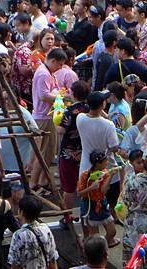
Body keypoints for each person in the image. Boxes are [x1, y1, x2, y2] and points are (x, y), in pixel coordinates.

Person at [30, 48, 67, 191]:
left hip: (48, 115)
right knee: (45, 152)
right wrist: (61, 98)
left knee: (49, 151)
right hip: (43, 116)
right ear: (53, 61)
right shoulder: (43, 74)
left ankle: (42, 180)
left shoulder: (48, 72)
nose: (59, 68)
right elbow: (43, 95)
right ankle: (34, 182)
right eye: (59, 65)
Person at [56, 80, 90, 218]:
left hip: (68, 153)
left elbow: (60, 130)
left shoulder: (69, 111)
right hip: (85, 150)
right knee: (86, 184)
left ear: (74, 94)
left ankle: (67, 216)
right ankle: (86, 212)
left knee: (68, 188)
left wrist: (55, 119)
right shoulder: (89, 108)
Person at [77, 150, 119, 246]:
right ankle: (97, 248)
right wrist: (91, 188)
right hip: (90, 205)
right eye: (105, 161)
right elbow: (79, 194)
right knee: (94, 236)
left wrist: (111, 175)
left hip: (102, 203)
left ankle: (102, 244)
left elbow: (104, 190)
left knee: (112, 231)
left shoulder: (105, 172)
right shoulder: (84, 175)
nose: (107, 163)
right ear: (98, 163)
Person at [7, 194, 59, 268]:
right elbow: (52, 259)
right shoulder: (45, 229)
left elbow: (15, 264)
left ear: (21, 212)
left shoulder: (19, 235)